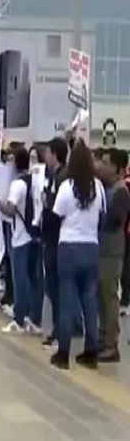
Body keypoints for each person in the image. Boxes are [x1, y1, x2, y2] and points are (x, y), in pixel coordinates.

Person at [49, 140, 104, 369]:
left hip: (69, 247)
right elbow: (102, 214)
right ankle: (91, 351)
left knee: (67, 299)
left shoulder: (66, 188)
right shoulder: (98, 187)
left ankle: (63, 353)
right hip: (91, 247)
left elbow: (56, 214)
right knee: (89, 301)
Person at [0, 147, 43, 335]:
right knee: (35, 279)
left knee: (20, 278)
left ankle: (19, 319)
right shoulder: (36, 182)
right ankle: (34, 319)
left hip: (21, 236)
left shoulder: (17, 185)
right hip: (35, 235)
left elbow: (11, 210)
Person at [96, 148, 130, 362]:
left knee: (109, 296)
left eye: (107, 163)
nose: (102, 166)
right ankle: (103, 338)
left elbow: (114, 220)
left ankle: (111, 343)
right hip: (102, 249)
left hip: (112, 250)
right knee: (101, 296)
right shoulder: (106, 188)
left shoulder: (120, 192)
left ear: (118, 168)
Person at [41, 137, 69, 349]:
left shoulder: (63, 177)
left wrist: (46, 203)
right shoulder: (53, 176)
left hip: (57, 239)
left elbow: (57, 209)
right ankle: (57, 330)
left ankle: (61, 332)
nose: (45, 156)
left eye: (48, 152)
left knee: (57, 288)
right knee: (52, 286)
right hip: (50, 238)